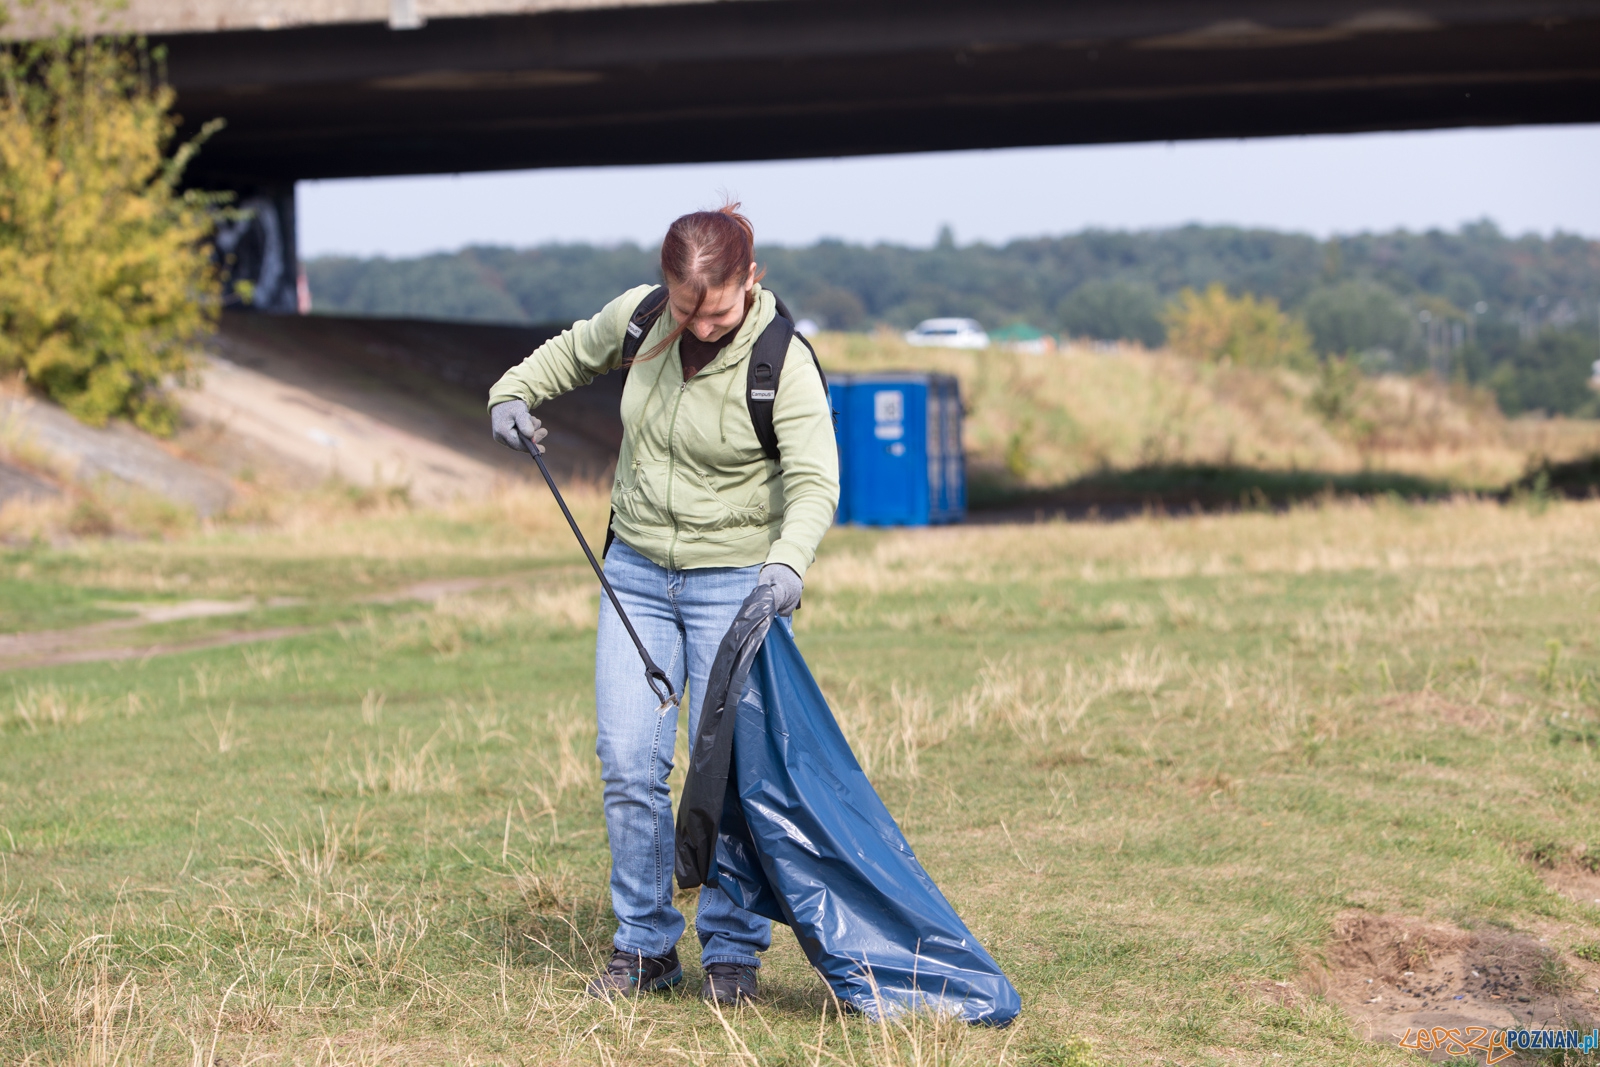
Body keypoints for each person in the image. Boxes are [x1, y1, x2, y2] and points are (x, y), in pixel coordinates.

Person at [486, 204, 839, 1006]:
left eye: (714, 310)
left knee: (728, 776)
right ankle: (644, 945)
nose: (700, 324)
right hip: (636, 571)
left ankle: (732, 951)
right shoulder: (643, 320)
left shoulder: (782, 359)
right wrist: (511, 396)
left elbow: (816, 480)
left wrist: (787, 565)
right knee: (627, 760)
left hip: (737, 584)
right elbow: (566, 356)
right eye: (686, 308)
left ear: (750, 280)